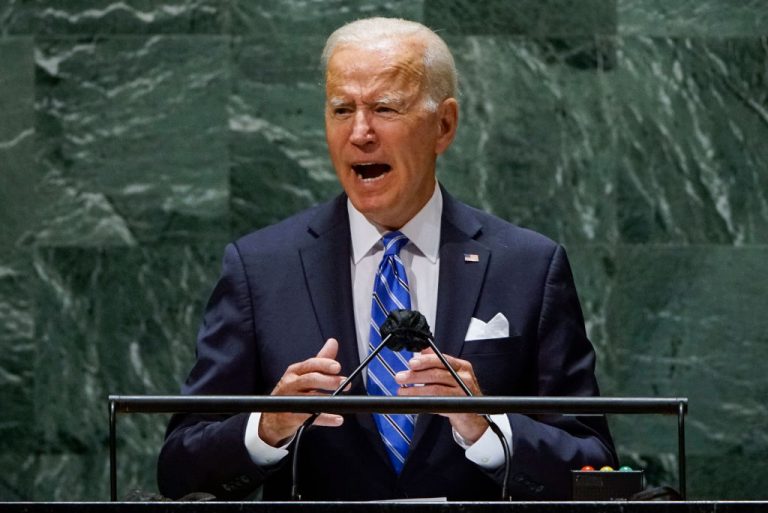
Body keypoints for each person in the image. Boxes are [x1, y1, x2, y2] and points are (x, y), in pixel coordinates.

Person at [157, 17, 616, 501]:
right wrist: (267, 427)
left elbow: (595, 465)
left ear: (444, 125)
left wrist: (487, 427)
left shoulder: (527, 267)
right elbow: (179, 469)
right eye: (341, 109)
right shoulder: (261, 268)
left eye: (384, 108)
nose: (360, 133)